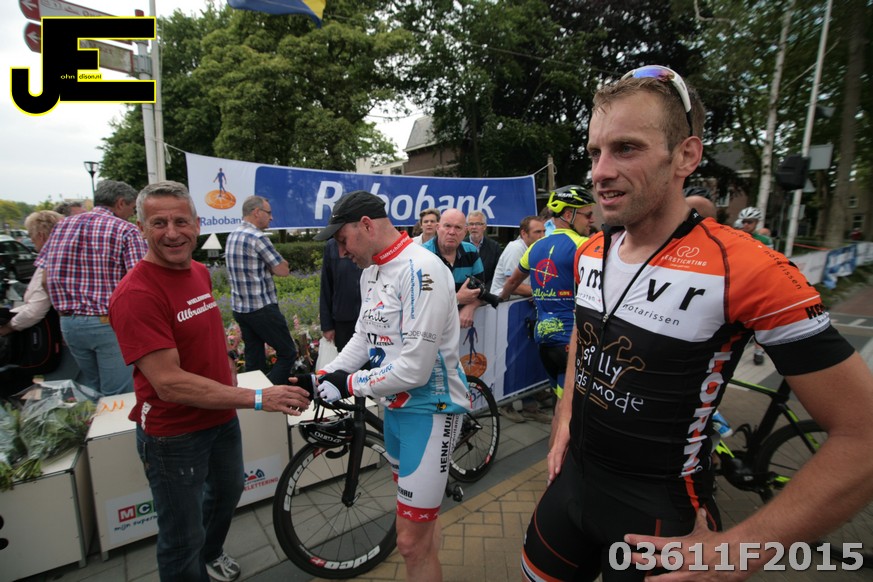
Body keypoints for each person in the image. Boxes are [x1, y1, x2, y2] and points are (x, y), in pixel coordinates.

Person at [521, 64, 873, 581]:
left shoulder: (746, 266)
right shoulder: (591, 250)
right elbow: (585, 338)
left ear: (686, 155)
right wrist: (563, 422)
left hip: (658, 519)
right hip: (570, 488)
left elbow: (863, 437)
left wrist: (739, 553)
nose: (600, 171)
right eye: (595, 152)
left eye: (626, 148)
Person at [109, 181, 311, 582]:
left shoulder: (199, 272)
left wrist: (229, 361)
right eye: (159, 223)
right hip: (174, 435)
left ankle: (212, 552)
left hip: (219, 418)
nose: (172, 233)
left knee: (226, 494)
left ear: (197, 224)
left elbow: (204, 332)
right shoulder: (136, 294)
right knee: (181, 538)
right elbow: (169, 383)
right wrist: (257, 397)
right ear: (141, 227)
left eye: (181, 221)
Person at [310, 190, 471, 582]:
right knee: (421, 531)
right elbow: (364, 337)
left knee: (410, 543)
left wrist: (349, 383)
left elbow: (415, 369)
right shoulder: (372, 270)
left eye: (342, 239)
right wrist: (326, 375)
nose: (341, 252)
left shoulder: (423, 270)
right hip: (396, 410)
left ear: (366, 225)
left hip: (431, 410)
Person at [36, 179, 147, 396]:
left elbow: (44, 280)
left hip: (69, 322)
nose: (132, 214)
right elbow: (139, 282)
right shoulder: (126, 230)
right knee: (118, 395)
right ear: (120, 203)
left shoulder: (62, 226)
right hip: (108, 322)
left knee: (90, 391)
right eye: (132, 208)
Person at [499, 186, 595, 422]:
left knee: (559, 407)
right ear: (568, 214)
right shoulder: (584, 245)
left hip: (544, 340)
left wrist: (498, 299)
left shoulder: (535, 247)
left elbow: (511, 282)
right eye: (588, 214)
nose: (592, 220)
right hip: (571, 341)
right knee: (569, 415)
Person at [225, 195, 298, 385]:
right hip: (262, 308)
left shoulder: (233, 235)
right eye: (269, 213)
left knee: (254, 358)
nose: (271, 217)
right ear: (257, 212)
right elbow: (283, 270)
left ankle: (252, 397)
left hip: (241, 309)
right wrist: (273, 266)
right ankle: (268, 393)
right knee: (288, 352)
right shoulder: (257, 237)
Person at [0, 210, 63, 394]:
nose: (32, 242)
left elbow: (36, 308)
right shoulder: (65, 255)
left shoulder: (50, 259)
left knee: (58, 386)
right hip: (66, 333)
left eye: (32, 237)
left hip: (53, 340)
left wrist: (8, 326)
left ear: (41, 235)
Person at [423, 208, 486, 328]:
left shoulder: (471, 252)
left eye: (458, 227)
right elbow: (418, 301)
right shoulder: (423, 254)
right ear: (438, 228)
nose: (452, 232)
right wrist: (457, 299)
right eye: (447, 226)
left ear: (465, 232)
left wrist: (471, 306)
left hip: (461, 329)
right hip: (428, 326)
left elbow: (482, 289)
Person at [319, 237, 362, 351]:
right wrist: (327, 325)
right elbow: (326, 286)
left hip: (370, 319)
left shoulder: (369, 241)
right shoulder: (332, 246)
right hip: (343, 321)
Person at [489, 215, 546, 299]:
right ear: (523, 233)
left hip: (520, 301)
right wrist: (542, 293)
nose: (543, 236)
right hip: (502, 303)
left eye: (544, 231)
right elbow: (513, 286)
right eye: (537, 232)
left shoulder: (537, 249)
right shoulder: (515, 248)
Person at [465, 210, 502, 289]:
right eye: (471, 224)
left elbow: (498, 274)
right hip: (465, 291)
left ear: (484, 226)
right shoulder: (460, 246)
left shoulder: (494, 247)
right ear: (467, 227)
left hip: (487, 291)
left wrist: (484, 291)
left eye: (478, 224)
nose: (474, 227)